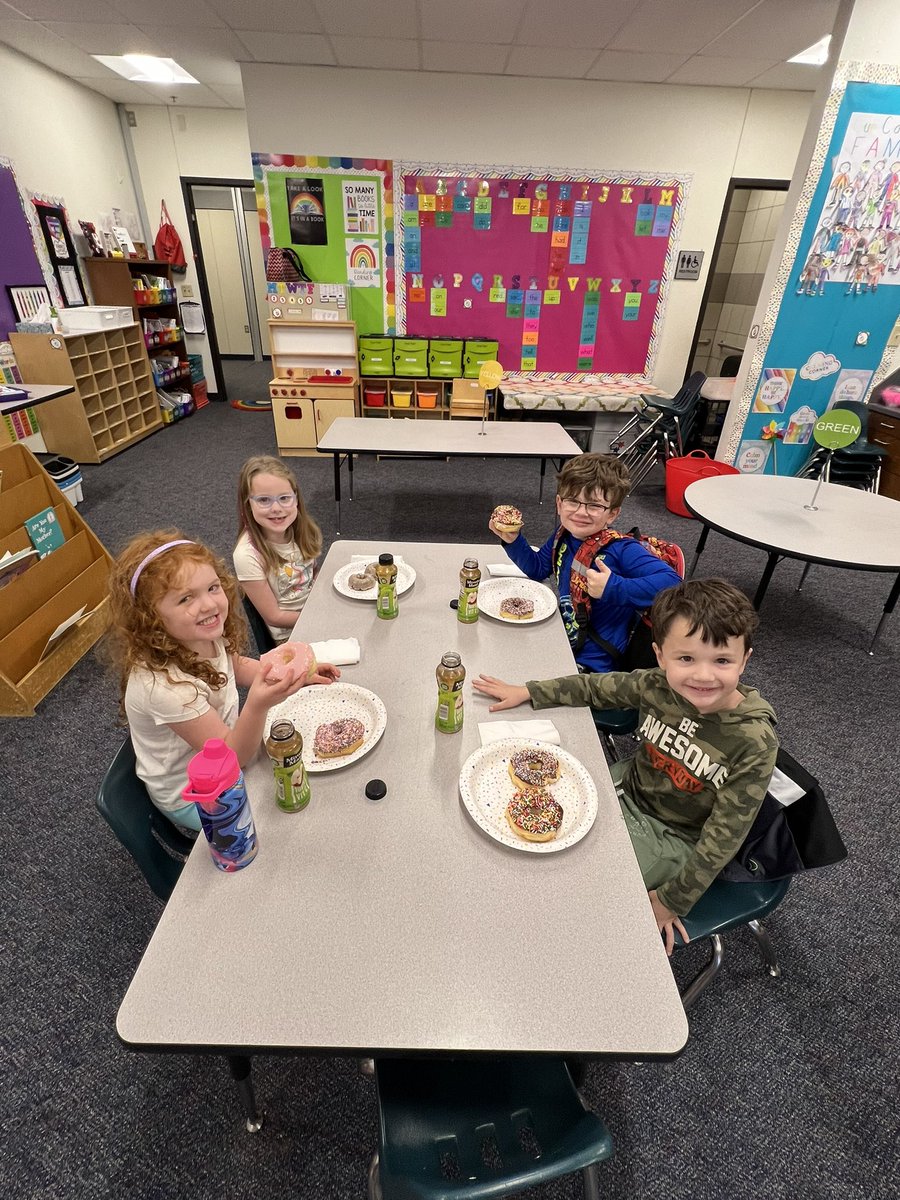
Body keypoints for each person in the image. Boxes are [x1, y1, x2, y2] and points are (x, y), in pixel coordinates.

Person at [472, 578, 778, 954]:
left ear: (744, 659)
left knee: (581, 888)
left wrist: (671, 902)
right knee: (534, 828)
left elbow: (723, 837)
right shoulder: (657, 684)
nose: (703, 675)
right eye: (686, 658)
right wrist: (530, 691)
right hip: (629, 787)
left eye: (722, 660)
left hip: (675, 835)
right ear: (660, 655)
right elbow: (596, 688)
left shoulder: (753, 742)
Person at [107, 531, 339, 832]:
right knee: (297, 815)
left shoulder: (201, 636)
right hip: (196, 795)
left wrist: (296, 673)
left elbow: (234, 666)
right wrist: (257, 705)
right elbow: (233, 758)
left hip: (229, 748)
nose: (208, 605)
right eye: (185, 598)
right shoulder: (163, 687)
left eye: (212, 587)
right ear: (149, 617)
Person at [490, 453, 682, 673]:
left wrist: (612, 587)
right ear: (559, 504)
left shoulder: (622, 550)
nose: (581, 512)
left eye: (594, 506)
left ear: (613, 514)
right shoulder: (563, 535)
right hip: (563, 635)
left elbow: (674, 584)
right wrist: (514, 541)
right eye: (573, 501)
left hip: (594, 663)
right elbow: (538, 568)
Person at [233, 455, 323, 645]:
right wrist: (321, 618)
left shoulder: (303, 530)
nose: (276, 508)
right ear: (247, 504)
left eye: (284, 498)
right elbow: (274, 616)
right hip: (290, 635)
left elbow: (313, 572)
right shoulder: (247, 555)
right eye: (264, 500)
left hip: (316, 609)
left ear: (296, 499)